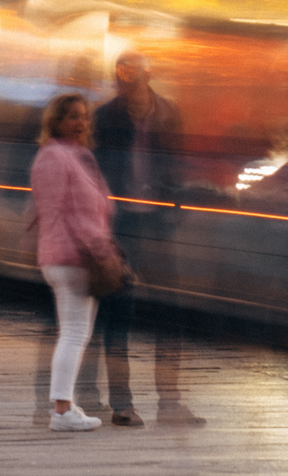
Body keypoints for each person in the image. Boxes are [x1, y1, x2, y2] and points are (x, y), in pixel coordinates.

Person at [90, 52, 201, 427]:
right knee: (118, 313)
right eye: (123, 81)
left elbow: (177, 163)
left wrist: (176, 207)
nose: (128, 89)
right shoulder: (106, 117)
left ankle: (170, 402)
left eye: (134, 81)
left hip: (157, 223)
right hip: (120, 225)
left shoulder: (168, 113)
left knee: (169, 313)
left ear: (146, 80)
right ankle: (123, 404)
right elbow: (97, 172)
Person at [26, 93, 122, 433]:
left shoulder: (74, 155)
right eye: (71, 116)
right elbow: (67, 211)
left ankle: (64, 406)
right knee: (74, 333)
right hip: (72, 255)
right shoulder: (56, 156)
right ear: (56, 121)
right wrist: (100, 249)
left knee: (74, 332)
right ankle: (62, 410)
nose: (80, 122)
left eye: (83, 116)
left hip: (68, 254)